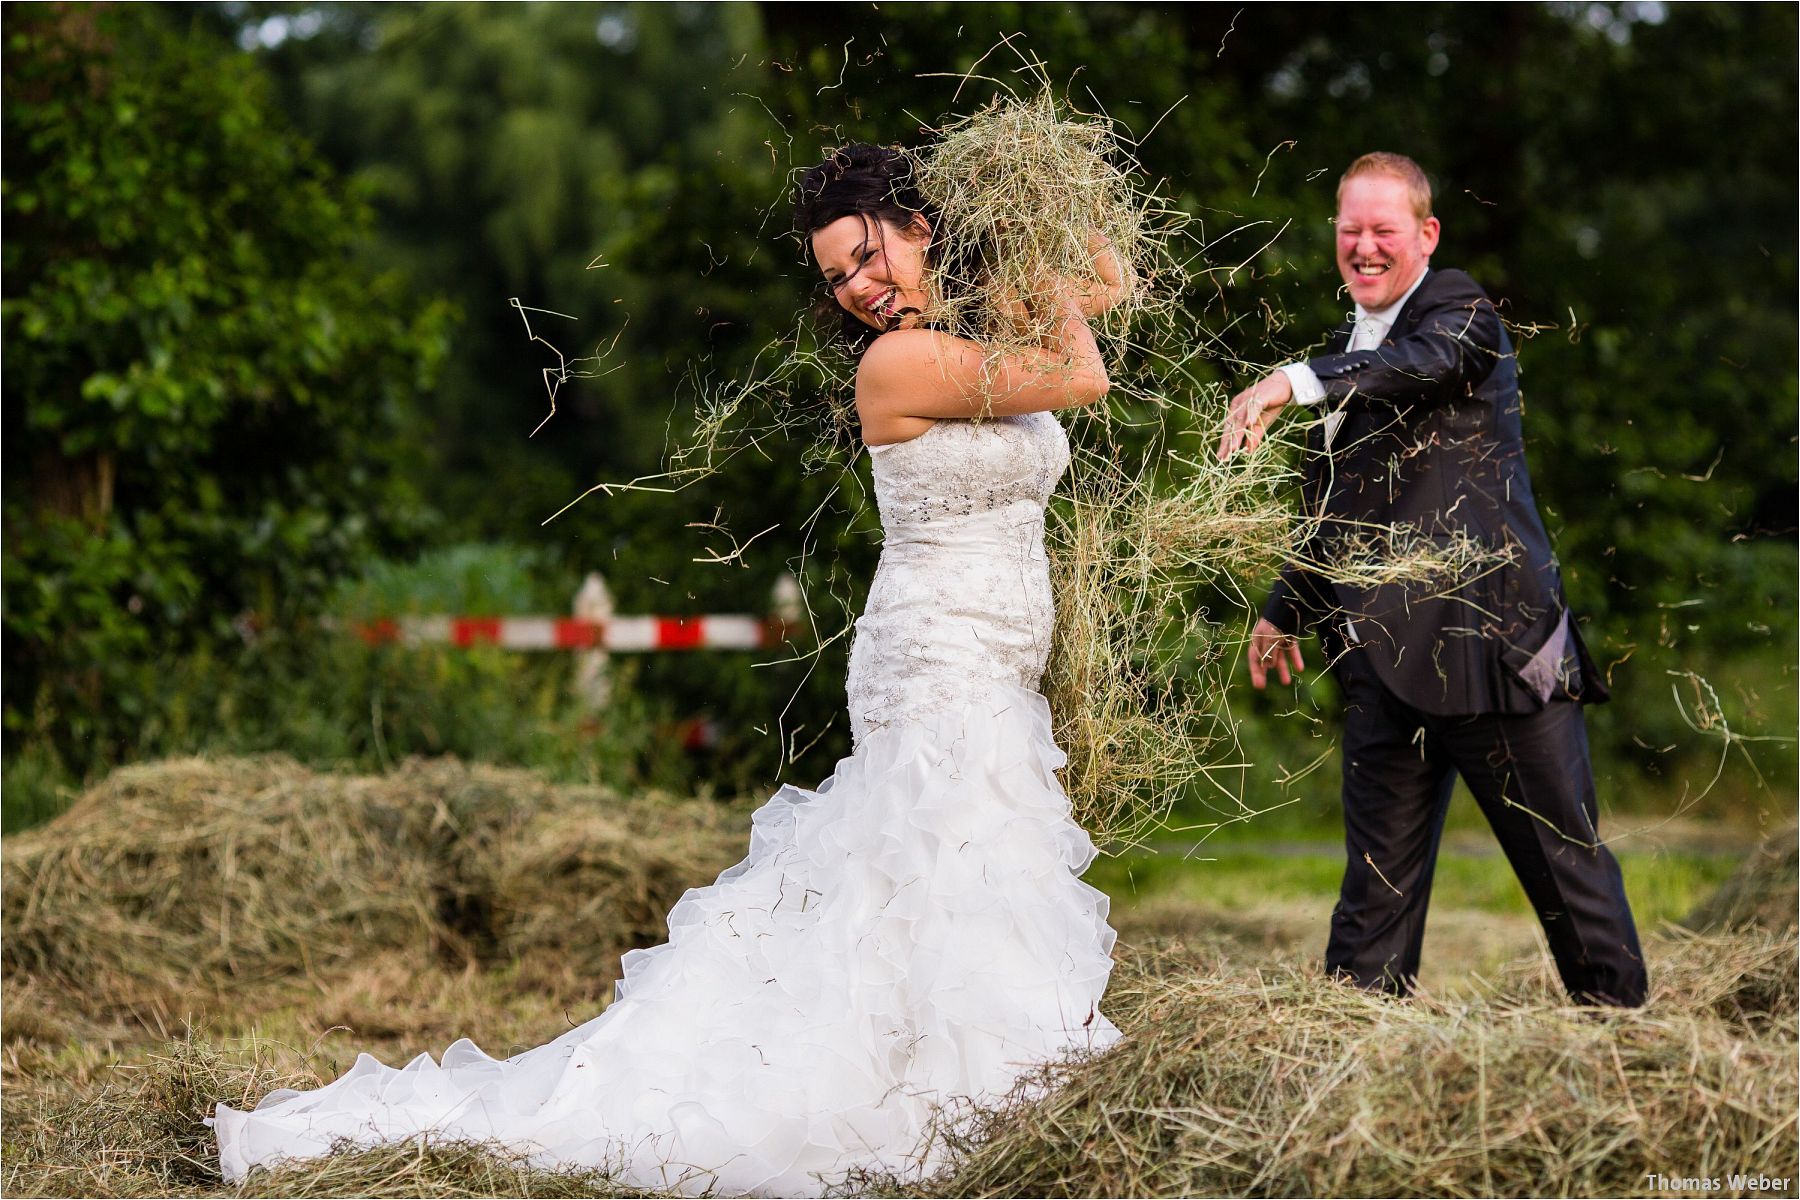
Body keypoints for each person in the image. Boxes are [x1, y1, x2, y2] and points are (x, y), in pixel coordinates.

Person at [210, 143, 1127, 1195]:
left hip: (1000, 652)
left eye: (866, 254)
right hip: (940, 655)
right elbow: (1084, 369)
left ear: (921, 225)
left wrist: (1042, 193)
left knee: (947, 873)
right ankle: (976, 1096)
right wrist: (1018, 260)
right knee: (955, 858)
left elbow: (1103, 286)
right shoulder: (897, 366)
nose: (859, 289)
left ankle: (973, 1076)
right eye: (836, 278)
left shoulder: (965, 339)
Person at [1216, 152, 1647, 1008]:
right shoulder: (1347, 350)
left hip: (1495, 660)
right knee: (1372, 899)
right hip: (1380, 666)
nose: (1365, 247)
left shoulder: (1459, 313)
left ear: (1426, 234)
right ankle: (1348, 1083)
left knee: (1569, 880)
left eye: (1384, 230)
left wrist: (1295, 382)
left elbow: (1429, 361)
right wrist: (1283, 613)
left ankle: (1632, 1060)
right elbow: (1335, 505)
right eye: (1351, 231)